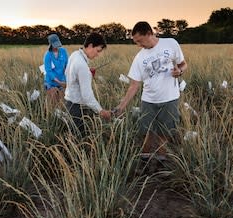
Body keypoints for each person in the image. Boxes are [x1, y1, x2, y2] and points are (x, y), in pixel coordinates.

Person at [115, 21, 187, 159]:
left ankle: (161, 161)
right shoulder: (139, 57)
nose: (139, 45)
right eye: (136, 42)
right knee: (147, 132)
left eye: (140, 41)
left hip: (170, 99)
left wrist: (180, 71)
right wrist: (121, 106)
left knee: (164, 133)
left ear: (149, 33)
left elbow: (183, 64)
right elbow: (134, 85)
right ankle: (145, 160)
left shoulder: (171, 43)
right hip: (148, 101)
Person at [64, 32, 112, 137]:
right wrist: (101, 111)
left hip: (69, 102)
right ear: (90, 46)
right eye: (98, 50)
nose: (98, 54)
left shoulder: (75, 55)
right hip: (77, 106)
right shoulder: (82, 65)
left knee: (73, 133)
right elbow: (87, 96)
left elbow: (68, 73)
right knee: (79, 137)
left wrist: (88, 74)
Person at [43, 33, 68, 102]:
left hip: (62, 80)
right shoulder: (47, 55)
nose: (57, 47)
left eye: (58, 45)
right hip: (51, 82)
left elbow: (67, 65)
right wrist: (59, 82)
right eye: (55, 45)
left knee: (63, 100)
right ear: (50, 44)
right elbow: (49, 71)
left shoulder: (63, 51)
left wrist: (66, 79)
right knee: (53, 99)